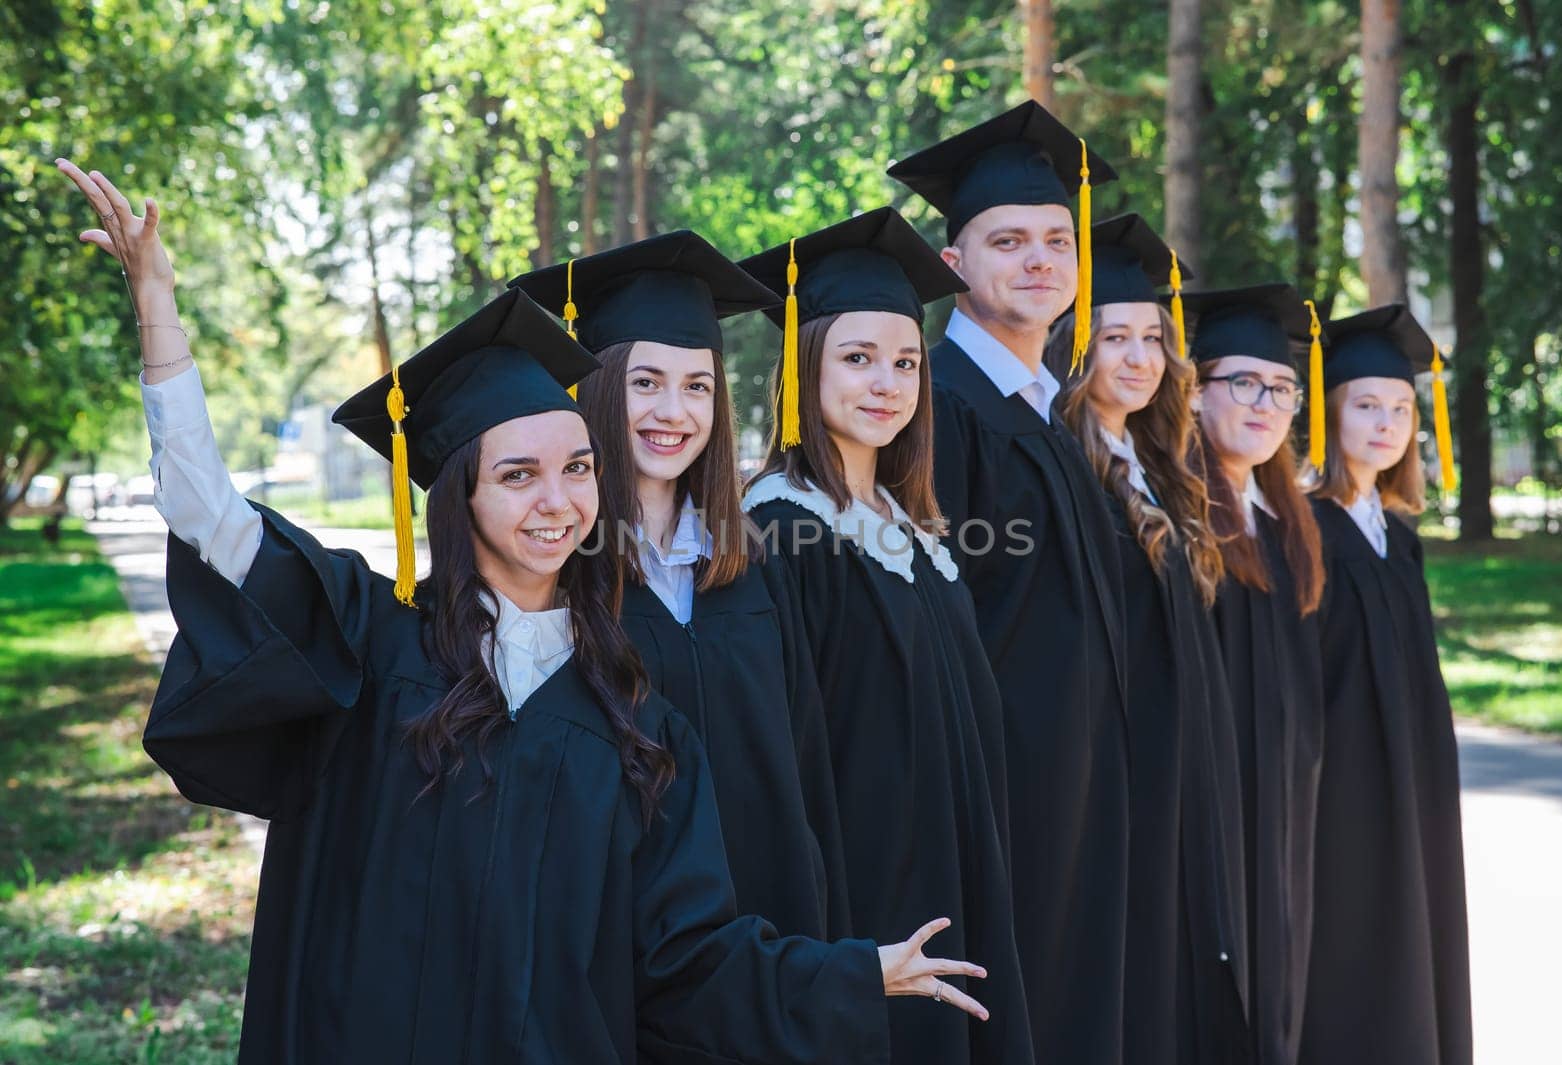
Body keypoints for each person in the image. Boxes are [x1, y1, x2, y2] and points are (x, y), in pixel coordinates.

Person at [56, 158, 990, 1065]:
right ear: (458, 498)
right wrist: (159, 316)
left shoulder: (632, 721)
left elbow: (685, 955)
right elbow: (209, 515)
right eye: (517, 475)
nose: (557, 500)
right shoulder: (376, 646)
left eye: (577, 468)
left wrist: (853, 972)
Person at [739, 206, 1034, 1065]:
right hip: (865, 913)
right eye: (858, 358)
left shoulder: (916, 531)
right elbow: (785, 759)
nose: (888, 383)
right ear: (804, 366)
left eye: (906, 361)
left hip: (953, 885)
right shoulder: (782, 532)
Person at [510, 232, 848, 940]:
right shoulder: (561, 577)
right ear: (598, 387)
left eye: (698, 386)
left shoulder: (755, 564)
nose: (675, 410)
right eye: (646, 382)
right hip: (625, 938)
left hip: (771, 925)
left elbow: (806, 765)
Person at [887, 99, 1131, 1065]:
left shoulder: (1045, 407)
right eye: (1007, 240)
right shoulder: (940, 406)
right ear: (954, 267)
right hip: (1006, 787)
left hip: (1078, 780)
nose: (1038, 258)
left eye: (1055, 239)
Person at [1044, 214, 1249, 1065]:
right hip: (1116, 772)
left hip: (1177, 767)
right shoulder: (1063, 462)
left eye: (1153, 339)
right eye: (1113, 336)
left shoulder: (1165, 468)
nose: (1136, 357)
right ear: (1076, 348)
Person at [1298, 303, 1472, 1065]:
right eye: (1365, 405)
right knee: (1357, 935)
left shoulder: (1397, 534)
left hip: (1415, 775)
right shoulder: (1302, 524)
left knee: (1420, 925)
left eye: (1401, 408)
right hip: (1342, 785)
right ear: (1329, 415)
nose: (1387, 423)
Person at [1187, 282, 1326, 1065]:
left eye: (1280, 389)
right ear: (1196, 391)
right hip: (1220, 792)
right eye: (1242, 382)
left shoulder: (1286, 523)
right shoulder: (1184, 514)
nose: (1265, 403)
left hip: (1282, 797)